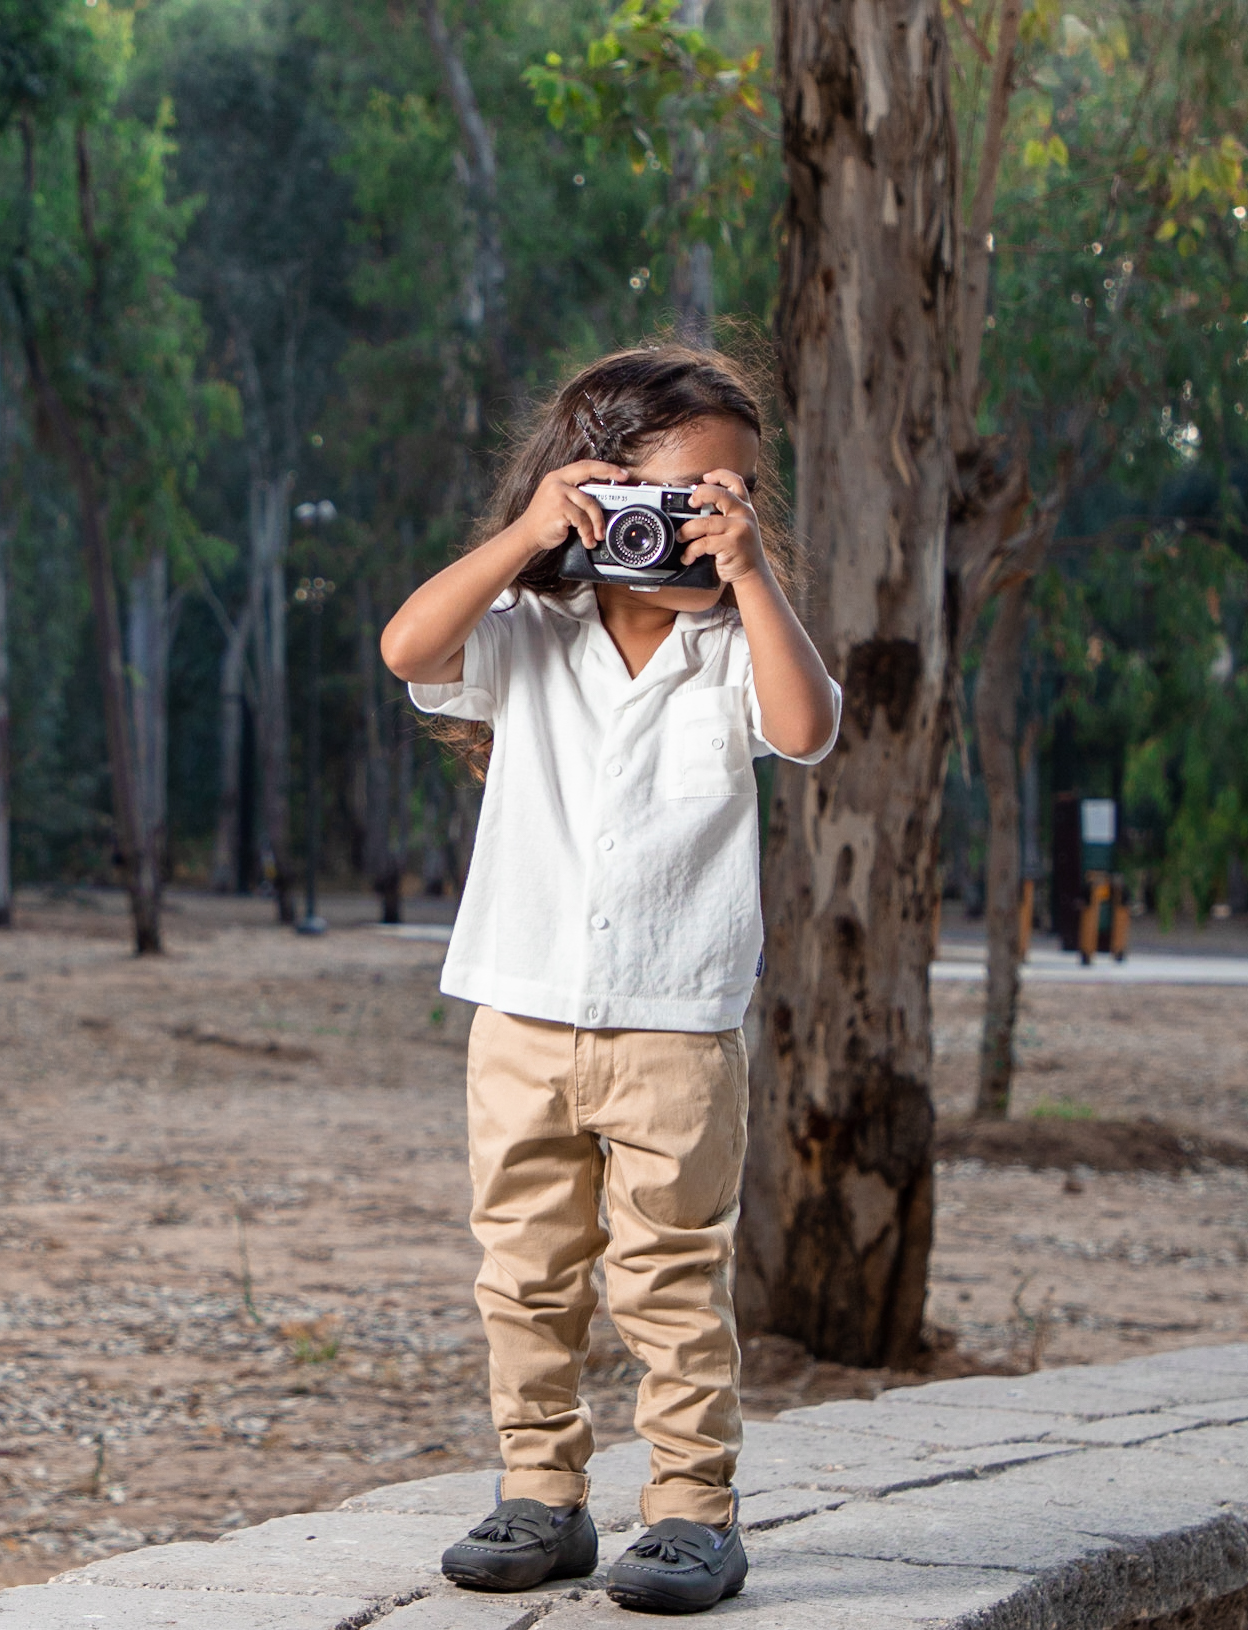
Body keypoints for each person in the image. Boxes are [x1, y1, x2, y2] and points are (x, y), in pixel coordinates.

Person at [379, 344, 839, 1614]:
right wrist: (530, 532)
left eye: (731, 498)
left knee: (670, 1275)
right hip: (520, 1009)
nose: (701, 524)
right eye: (680, 496)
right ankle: (541, 1496)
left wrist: (751, 579)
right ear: (595, 491)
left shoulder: (739, 645)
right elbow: (408, 646)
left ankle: (694, 1513)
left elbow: (807, 730)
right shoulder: (527, 635)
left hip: (678, 1026)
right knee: (523, 1270)